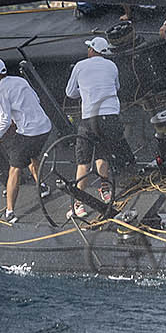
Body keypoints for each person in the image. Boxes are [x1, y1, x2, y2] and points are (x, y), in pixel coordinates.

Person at [0, 58, 53, 223]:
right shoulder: (19, 80)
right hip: (45, 127)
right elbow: (36, 99)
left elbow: (5, 120)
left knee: (14, 169)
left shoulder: (0, 93)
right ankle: (42, 186)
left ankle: (10, 212)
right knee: (31, 156)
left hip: (29, 133)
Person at [64, 36, 131, 220]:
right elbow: (115, 87)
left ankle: (78, 205)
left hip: (90, 118)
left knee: (83, 162)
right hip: (110, 117)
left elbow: (70, 93)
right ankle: (106, 190)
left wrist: (85, 91)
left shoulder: (80, 65)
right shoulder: (112, 66)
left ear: (92, 51)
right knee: (102, 155)